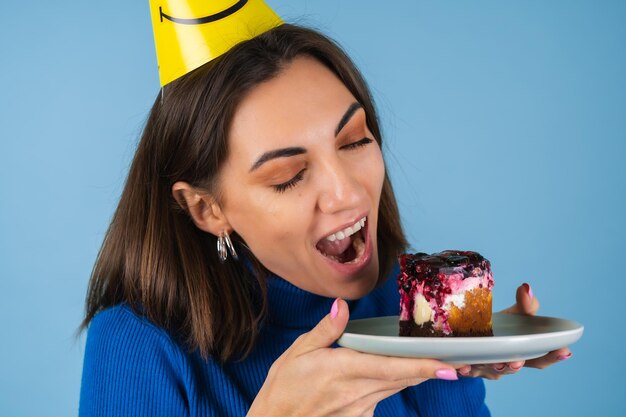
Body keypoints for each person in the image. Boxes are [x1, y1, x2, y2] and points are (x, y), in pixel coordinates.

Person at [78, 14, 572, 417]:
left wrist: (460, 360)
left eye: (355, 140)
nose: (345, 192)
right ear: (207, 210)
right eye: (288, 176)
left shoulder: (406, 309)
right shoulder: (137, 346)